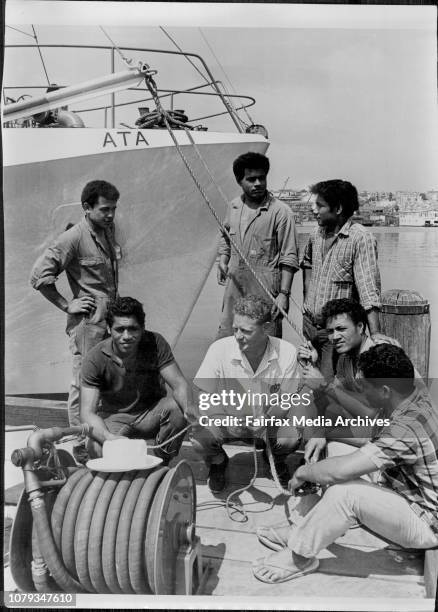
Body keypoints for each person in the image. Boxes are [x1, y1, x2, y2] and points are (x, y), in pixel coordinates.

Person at [253, 344, 438, 583]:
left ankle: (300, 557)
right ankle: (301, 526)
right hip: (402, 486)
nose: (361, 390)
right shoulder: (412, 399)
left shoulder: (405, 428)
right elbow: (370, 433)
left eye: (364, 386)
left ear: (384, 390)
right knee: (335, 450)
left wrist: (302, 471)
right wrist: (322, 434)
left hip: (426, 522)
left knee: (344, 493)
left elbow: (340, 471)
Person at [30, 180, 121, 463]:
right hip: (88, 326)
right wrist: (67, 304)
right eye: (105, 209)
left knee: (101, 380)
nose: (110, 215)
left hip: (108, 320)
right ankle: (81, 444)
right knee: (82, 383)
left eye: (113, 209)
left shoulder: (107, 230)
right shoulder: (72, 238)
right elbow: (39, 277)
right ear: (87, 207)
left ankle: (96, 434)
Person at [191, 295, 311, 492]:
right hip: (228, 421)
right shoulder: (219, 349)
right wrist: (223, 419)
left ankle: (273, 457)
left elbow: (287, 400)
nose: (237, 335)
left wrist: (266, 422)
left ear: (266, 328)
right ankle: (219, 462)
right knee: (199, 436)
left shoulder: (287, 352)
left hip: (268, 423)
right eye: (235, 328)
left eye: (246, 331)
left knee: (291, 436)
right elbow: (204, 395)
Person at [80, 296, 193, 464]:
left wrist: (189, 409)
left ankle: (161, 461)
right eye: (120, 329)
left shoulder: (156, 343)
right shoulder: (94, 358)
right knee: (95, 447)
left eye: (133, 329)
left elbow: (179, 384)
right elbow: (87, 412)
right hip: (115, 417)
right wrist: (108, 438)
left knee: (178, 408)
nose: (127, 336)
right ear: (109, 329)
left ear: (142, 328)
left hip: (150, 413)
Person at [301, 180, 386, 380]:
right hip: (310, 326)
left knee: (331, 388)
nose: (315, 210)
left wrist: (375, 336)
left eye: (320, 206)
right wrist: (307, 300)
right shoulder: (316, 234)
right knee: (310, 383)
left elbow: (368, 291)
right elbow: (307, 264)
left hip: (336, 334)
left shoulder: (360, 239)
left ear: (338, 208)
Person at [217, 152, 299, 339]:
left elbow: (289, 257)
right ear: (239, 181)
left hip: (265, 287)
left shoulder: (281, 212)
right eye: (251, 179)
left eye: (261, 178)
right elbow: (225, 235)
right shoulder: (233, 206)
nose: (258, 183)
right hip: (234, 284)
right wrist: (222, 259)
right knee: (227, 338)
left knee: (265, 342)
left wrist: (284, 294)